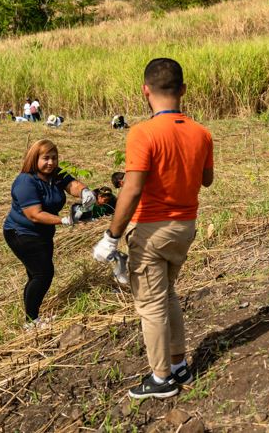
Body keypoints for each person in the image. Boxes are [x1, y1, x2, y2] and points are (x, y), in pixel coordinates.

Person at [92, 57, 214, 400]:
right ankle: (178, 364)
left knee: (151, 305)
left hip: (152, 230)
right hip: (186, 226)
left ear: (145, 91)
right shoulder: (201, 133)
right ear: (183, 91)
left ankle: (161, 379)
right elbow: (207, 180)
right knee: (168, 294)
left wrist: (111, 236)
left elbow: (130, 189)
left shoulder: (143, 132)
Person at [3, 139, 96, 328]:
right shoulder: (25, 181)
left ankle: (32, 315)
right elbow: (34, 215)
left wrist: (85, 191)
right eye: (46, 158)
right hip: (21, 233)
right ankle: (31, 321)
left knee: (36, 274)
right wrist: (64, 220)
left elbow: (72, 185)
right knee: (43, 274)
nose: (51, 163)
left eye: (54, 158)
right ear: (34, 158)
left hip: (43, 233)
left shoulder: (56, 174)